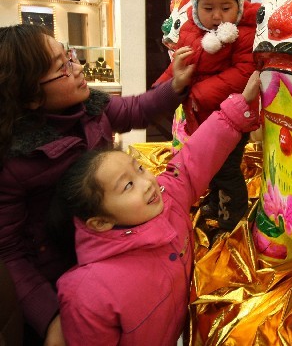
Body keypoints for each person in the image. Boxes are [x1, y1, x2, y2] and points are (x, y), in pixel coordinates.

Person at [0, 24, 194, 346]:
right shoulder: (13, 160)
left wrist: (175, 86)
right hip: (56, 281)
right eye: (62, 68)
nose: (78, 68)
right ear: (31, 96)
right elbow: (9, 251)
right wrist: (49, 317)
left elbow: (135, 110)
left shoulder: (90, 110)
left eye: (70, 56)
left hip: (109, 252)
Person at [51, 72, 261, 346]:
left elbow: (194, 159)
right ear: (100, 222)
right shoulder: (88, 293)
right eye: (127, 186)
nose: (148, 182)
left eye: (139, 169)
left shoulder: (168, 198)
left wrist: (237, 108)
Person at [154, 0, 260, 232]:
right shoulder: (191, 30)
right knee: (208, 164)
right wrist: (162, 87)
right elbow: (181, 62)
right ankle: (215, 201)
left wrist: (200, 93)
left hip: (232, 118)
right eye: (208, 8)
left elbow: (245, 72)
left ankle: (232, 218)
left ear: (238, 4)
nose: (216, 16)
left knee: (226, 169)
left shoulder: (244, 32)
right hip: (200, 117)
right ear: (196, 5)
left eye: (225, 7)